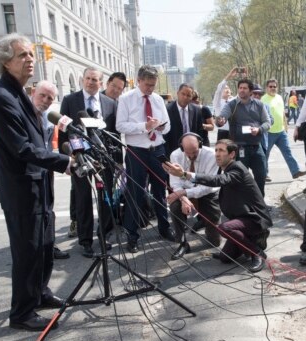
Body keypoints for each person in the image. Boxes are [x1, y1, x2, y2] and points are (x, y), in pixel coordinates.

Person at [0, 34, 72, 331]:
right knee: (27, 251)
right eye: (23, 55)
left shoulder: (20, 92)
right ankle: (21, 313)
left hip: (39, 184)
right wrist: (63, 162)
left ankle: (40, 293)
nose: (30, 59)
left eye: (32, 54)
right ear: (6, 61)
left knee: (45, 246)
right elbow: (21, 148)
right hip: (21, 190)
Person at [164, 139, 272, 273]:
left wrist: (184, 174)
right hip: (241, 220)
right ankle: (249, 241)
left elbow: (217, 180)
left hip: (254, 219)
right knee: (225, 258)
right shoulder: (226, 170)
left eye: (221, 150)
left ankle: (257, 253)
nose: (217, 154)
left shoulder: (237, 168)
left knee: (224, 228)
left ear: (232, 154)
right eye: (216, 150)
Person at [59, 67, 118, 258]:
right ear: (82, 80)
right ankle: (85, 240)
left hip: (103, 156)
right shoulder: (69, 101)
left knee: (106, 197)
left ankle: (105, 235)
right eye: (88, 78)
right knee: (83, 198)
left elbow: (115, 134)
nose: (91, 82)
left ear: (101, 83)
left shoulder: (110, 103)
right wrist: (69, 156)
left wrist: (117, 161)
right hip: (80, 157)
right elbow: (62, 132)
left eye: (95, 79)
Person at [116, 65, 174, 253]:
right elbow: (120, 126)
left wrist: (160, 127)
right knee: (135, 192)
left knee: (160, 190)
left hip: (157, 149)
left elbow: (168, 126)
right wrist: (144, 126)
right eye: (147, 85)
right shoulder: (126, 99)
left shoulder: (157, 99)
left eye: (153, 85)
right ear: (138, 80)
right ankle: (132, 235)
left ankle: (164, 228)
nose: (150, 89)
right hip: (137, 151)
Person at [30, 80, 70, 261]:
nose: (45, 100)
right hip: (28, 173)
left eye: (50, 98)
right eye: (42, 95)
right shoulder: (25, 114)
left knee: (49, 209)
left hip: (47, 168)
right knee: (33, 213)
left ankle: (49, 245)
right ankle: (35, 249)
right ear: (33, 93)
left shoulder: (49, 116)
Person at [167, 132, 221, 260]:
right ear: (181, 148)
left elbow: (208, 186)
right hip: (185, 192)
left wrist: (184, 193)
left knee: (215, 242)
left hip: (207, 193)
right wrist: (184, 198)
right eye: (187, 152)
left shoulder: (211, 155)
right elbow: (175, 183)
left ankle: (204, 221)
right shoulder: (175, 155)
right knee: (174, 206)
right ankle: (182, 243)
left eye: (194, 152)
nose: (191, 156)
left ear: (200, 145)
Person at [216, 78, 270, 196]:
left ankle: (260, 204)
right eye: (240, 88)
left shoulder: (259, 105)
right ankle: (242, 206)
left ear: (251, 91)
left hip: (256, 147)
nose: (242, 90)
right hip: (240, 148)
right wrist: (221, 120)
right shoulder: (232, 105)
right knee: (240, 179)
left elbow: (267, 123)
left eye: (245, 88)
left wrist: (259, 129)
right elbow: (223, 116)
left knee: (261, 176)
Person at [261, 78, 305, 182]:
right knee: (265, 154)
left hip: (281, 132)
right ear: (267, 88)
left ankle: (295, 171)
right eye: (270, 86)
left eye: (274, 86)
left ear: (277, 87)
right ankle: (264, 174)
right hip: (269, 132)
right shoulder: (263, 99)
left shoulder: (280, 98)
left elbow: (282, 114)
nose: (273, 88)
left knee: (287, 152)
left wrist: (285, 127)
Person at [164, 83, 204, 157]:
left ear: (192, 97)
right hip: (173, 151)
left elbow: (200, 131)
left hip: (192, 150)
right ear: (178, 93)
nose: (185, 97)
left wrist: (200, 148)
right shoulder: (167, 110)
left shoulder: (196, 110)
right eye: (183, 94)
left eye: (188, 95)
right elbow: (165, 134)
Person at [213, 68, 238, 141]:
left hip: (234, 132)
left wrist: (244, 76)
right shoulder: (217, 102)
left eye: (228, 88)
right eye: (225, 88)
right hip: (223, 132)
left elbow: (243, 93)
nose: (226, 90)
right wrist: (229, 76)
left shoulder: (234, 101)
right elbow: (219, 89)